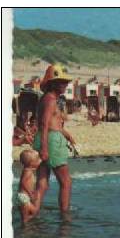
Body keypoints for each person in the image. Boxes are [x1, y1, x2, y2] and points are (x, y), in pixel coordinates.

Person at [33, 64, 73, 213]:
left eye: (66, 82)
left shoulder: (46, 98)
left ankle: (32, 212)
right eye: (61, 81)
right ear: (52, 83)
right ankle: (65, 218)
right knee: (66, 182)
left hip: (45, 139)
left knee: (42, 183)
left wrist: (67, 135)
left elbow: (50, 123)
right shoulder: (50, 99)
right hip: (50, 142)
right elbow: (44, 124)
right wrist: (44, 148)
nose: (65, 84)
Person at [16, 149, 43, 223]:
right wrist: (30, 194)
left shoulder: (28, 170)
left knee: (26, 217)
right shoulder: (28, 172)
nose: (39, 161)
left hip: (22, 197)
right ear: (31, 163)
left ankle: (26, 230)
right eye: (37, 160)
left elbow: (28, 183)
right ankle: (25, 230)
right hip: (24, 197)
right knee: (34, 212)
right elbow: (23, 183)